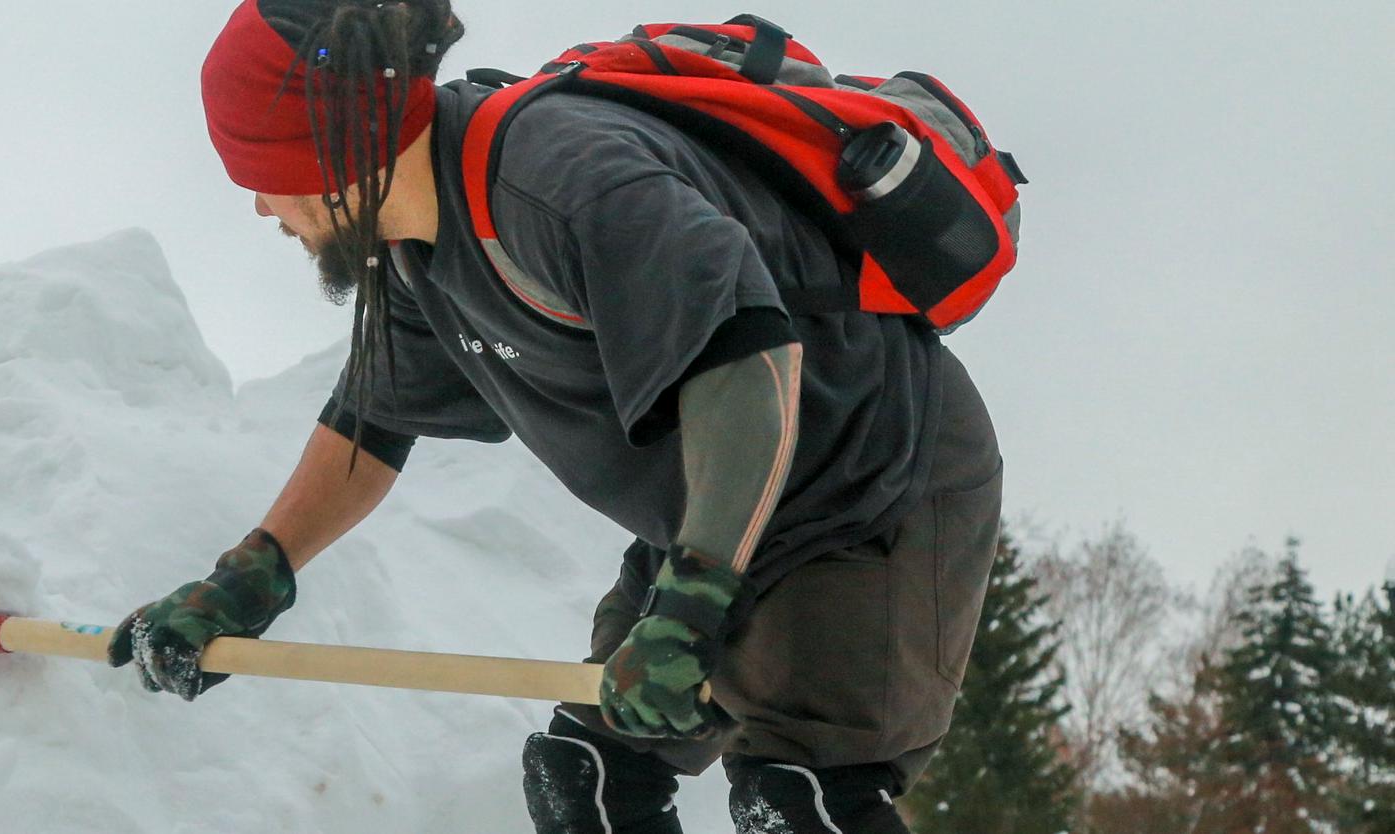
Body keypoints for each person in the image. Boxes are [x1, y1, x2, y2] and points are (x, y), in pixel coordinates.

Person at [106, 1, 1004, 831]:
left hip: (873, 485)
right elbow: (370, 427)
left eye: (265, 172)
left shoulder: (564, 180)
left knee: (800, 797)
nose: (259, 204)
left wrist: (691, 605)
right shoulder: (418, 248)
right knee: (590, 778)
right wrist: (248, 581)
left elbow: (749, 358)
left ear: (333, 150)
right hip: (718, 520)